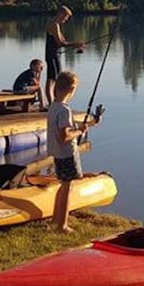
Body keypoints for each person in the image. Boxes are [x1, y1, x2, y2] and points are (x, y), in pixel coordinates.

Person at [48, 71, 98, 233]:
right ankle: (62, 225)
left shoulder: (54, 107)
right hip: (67, 154)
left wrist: (87, 125)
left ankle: (55, 221)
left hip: (57, 154)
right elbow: (65, 136)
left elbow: (63, 128)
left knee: (63, 186)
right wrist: (80, 132)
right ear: (72, 89)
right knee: (68, 188)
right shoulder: (65, 111)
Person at [45, 6, 84, 106]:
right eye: (66, 17)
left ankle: (54, 103)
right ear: (61, 14)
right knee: (52, 80)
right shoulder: (54, 25)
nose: (66, 20)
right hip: (51, 54)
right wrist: (76, 44)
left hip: (54, 54)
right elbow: (60, 43)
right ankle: (52, 104)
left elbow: (63, 41)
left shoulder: (55, 24)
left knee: (56, 78)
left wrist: (75, 44)